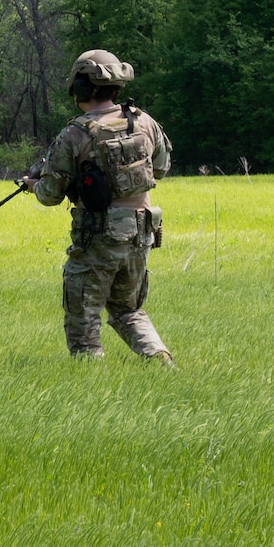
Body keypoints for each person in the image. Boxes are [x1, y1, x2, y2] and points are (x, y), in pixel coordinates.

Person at [22, 49, 174, 363]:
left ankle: (90, 374)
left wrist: (34, 185)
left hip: (98, 236)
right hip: (141, 232)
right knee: (128, 309)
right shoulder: (143, 121)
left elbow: (50, 194)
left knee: (83, 313)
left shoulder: (74, 134)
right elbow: (160, 167)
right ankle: (159, 357)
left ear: (79, 87)